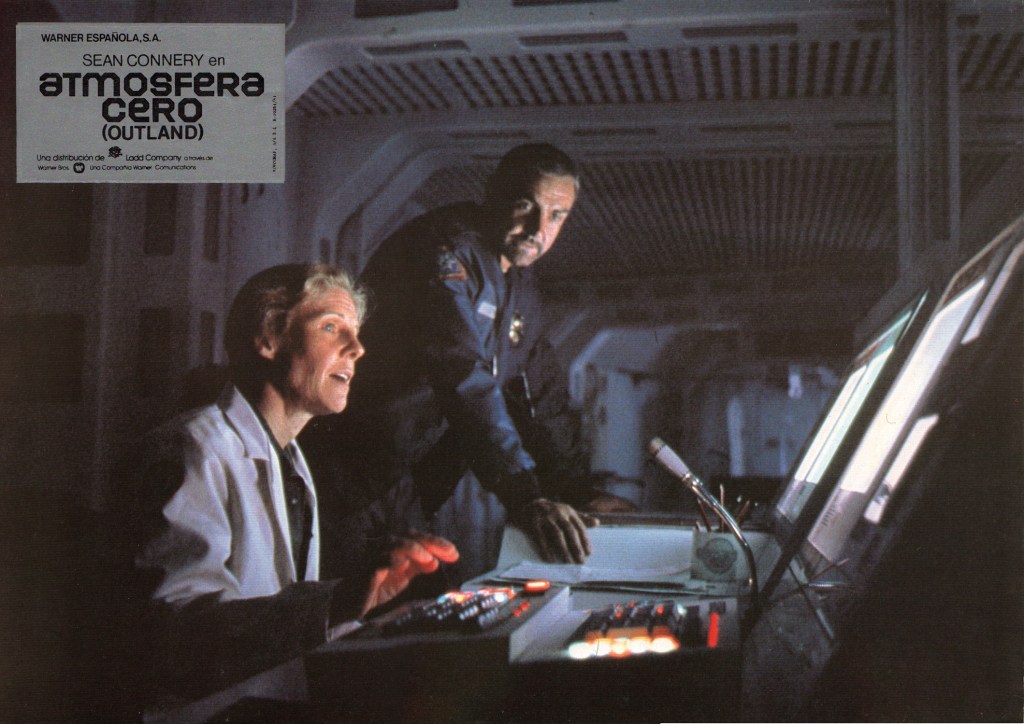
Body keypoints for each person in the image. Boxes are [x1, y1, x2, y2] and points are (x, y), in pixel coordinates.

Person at [115, 263, 458, 701]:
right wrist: (336, 602)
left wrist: (375, 613)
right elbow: (179, 635)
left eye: (355, 333)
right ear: (268, 339)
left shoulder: (293, 462)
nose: (357, 349)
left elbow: (281, 627)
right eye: (332, 327)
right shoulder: (191, 448)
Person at [301, 143, 633, 585]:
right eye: (525, 206)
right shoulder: (443, 253)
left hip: (409, 487)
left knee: (416, 605)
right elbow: (462, 373)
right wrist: (525, 495)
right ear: (494, 193)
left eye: (557, 216)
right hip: (351, 475)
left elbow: (541, 393)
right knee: (347, 605)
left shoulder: (519, 285)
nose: (539, 229)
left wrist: (579, 492)